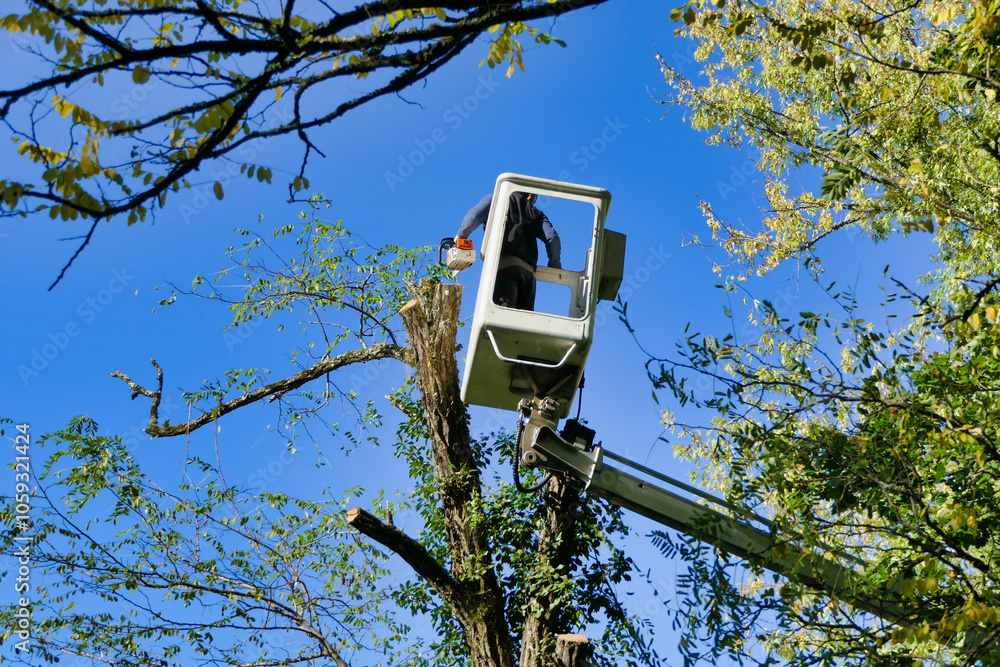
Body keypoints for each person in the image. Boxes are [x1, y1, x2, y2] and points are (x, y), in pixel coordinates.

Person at [455, 191, 561, 311]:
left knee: (498, 320)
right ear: (530, 196)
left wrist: (461, 237)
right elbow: (553, 238)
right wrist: (554, 265)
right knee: (521, 324)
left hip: (505, 269)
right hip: (528, 277)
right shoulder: (536, 213)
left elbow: (473, 217)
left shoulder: (496, 199)